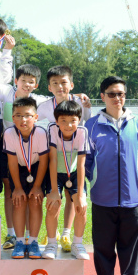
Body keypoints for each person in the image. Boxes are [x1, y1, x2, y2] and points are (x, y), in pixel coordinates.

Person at [85, 76, 138, 275]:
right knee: (103, 251)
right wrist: (95, 181)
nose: (117, 98)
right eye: (112, 94)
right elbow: (86, 160)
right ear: (102, 96)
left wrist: (137, 179)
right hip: (102, 199)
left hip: (133, 199)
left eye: (121, 93)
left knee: (130, 253)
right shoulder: (92, 125)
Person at [36, 65, 91, 252]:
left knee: (74, 199)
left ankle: (67, 234)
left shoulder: (80, 102)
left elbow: (86, 120)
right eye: (55, 83)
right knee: (54, 200)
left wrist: (84, 101)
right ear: (49, 87)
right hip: (55, 157)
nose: (60, 87)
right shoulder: (45, 106)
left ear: (71, 85)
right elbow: (32, 117)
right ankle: (53, 237)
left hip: (74, 157)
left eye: (64, 83)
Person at [0, 64, 49, 249]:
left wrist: (77, 97)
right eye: (23, 80)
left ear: (36, 85)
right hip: (9, 148)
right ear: (16, 81)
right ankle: (12, 234)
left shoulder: (38, 100)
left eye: (31, 82)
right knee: (11, 192)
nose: (27, 84)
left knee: (31, 196)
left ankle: (28, 236)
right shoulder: (5, 93)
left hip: (31, 153)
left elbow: (57, 98)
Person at [3, 97, 49, 259]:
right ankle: (20, 242)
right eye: (18, 115)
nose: (23, 119)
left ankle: (34, 242)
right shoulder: (9, 134)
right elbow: (12, 162)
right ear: (13, 117)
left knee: (35, 202)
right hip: (19, 169)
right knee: (18, 202)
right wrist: (17, 187)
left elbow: (44, 162)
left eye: (28, 115)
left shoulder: (41, 133)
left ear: (35, 117)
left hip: (37, 169)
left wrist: (37, 186)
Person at [45, 100, 90, 260]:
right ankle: (51, 244)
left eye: (73, 120)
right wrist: (54, 191)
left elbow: (81, 164)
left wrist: (81, 195)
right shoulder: (52, 129)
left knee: (81, 207)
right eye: (63, 120)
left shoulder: (82, 132)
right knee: (53, 205)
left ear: (79, 120)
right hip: (55, 173)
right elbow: (52, 160)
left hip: (74, 173)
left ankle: (77, 244)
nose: (68, 125)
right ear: (56, 121)